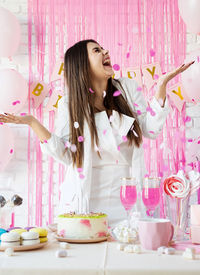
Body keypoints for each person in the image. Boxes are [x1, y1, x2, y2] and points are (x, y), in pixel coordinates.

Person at [0, 39, 194, 226]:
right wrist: (33, 123)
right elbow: (68, 155)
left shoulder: (127, 89)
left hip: (127, 196)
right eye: (97, 51)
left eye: (103, 48)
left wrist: (160, 87)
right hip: (87, 199)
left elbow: (150, 129)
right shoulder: (70, 103)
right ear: (83, 65)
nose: (105, 52)